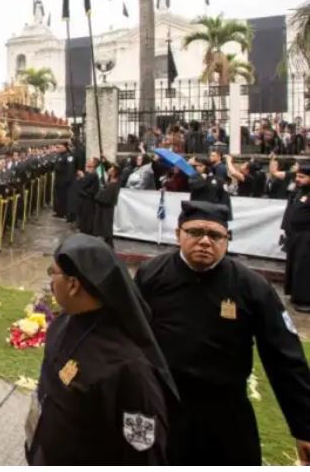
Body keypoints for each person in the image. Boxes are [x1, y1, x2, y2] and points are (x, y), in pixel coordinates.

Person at [134, 201, 310, 465]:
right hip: (166, 408)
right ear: (178, 233)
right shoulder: (152, 275)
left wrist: (305, 427)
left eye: (215, 235)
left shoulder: (251, 286)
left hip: (226, 412)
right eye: (195, 232)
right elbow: (130, 340)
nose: (205, 241)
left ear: (227, 240)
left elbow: (284, 356)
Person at [26, 234, 175, 465]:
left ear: (74, 285)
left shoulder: (129, 368)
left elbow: (144, 453)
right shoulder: (64, 321)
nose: (50, 282)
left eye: (52, 273)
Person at [282, 163, 310, 313]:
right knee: (295, 266)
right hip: (295, 235)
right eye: (297, 176)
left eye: (302, 177)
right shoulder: (299, 192)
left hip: (307, 236)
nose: (298, 179)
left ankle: (306, 300)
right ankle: (295, 294)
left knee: (305, 268)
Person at [92, 164, 120, 248]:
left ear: (114, 172)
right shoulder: (110, 183)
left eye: (111, 169)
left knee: (106, 225)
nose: (109, 170)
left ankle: (108, 243)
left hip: (106, 208)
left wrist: (99, 194)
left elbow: (103, 197)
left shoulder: (113, 185)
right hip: (104, 207)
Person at [52, 143, 76, 219]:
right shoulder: (59, 155)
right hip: (58, 179)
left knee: (64, 196)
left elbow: (70, 169)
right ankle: (59, 212)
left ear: (65, 147)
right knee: (58, 196)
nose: (58, 148)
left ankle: (64, 212)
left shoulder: (68, 156)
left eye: (60, 147)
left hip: (64, 179)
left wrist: (68, 180)